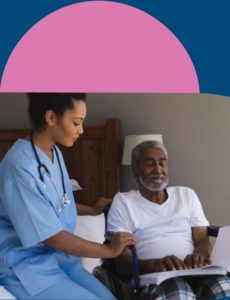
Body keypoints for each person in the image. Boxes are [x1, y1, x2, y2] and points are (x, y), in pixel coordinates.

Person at [0, 93, 135, 300]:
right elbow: (51, 235)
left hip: (60, 260)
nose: (81, 130)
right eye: (76, 123)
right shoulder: (19, 167)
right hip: (27, 267)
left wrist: (91, 210)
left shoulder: (53, 152)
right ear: (51, 118)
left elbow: (55, 203)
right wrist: (109, 250)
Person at [106, 140, 230, 299]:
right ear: (136, 171)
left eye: (162, 163)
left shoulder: (186, 195)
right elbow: (121, 262)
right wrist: (155, 264)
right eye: (149, 164)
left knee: (227, 288)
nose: (158, 169)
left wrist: (199, 255)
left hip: (196, 272)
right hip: (155, 279)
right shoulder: (123, 202)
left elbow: (202, 239)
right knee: (180, 293)